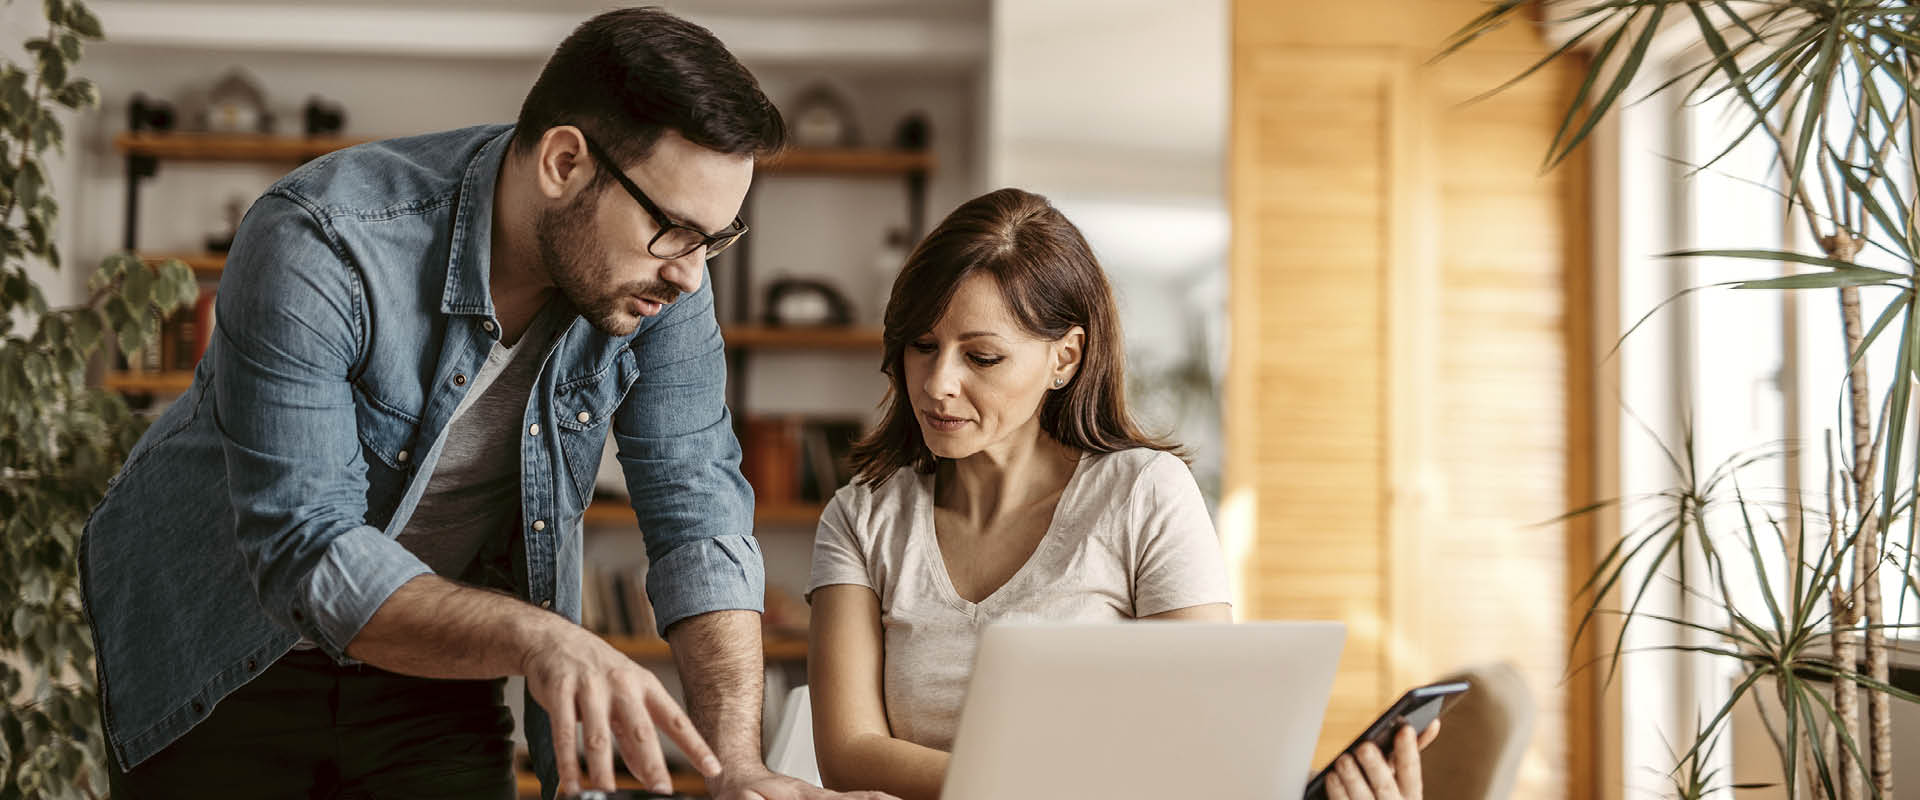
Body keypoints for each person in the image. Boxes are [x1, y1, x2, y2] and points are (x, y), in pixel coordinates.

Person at [82, 9, 889, 800]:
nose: (688, 273)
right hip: (224, 646)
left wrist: (738, 766)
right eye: (675, 228)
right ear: (564, 163)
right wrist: (543, 637)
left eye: (715, 239)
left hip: (434, 657)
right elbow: (306, 548)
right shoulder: (322, 240)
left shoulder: (670, 283)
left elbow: (699, 511)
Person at [804, 188, 1438, 800]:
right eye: (923, 346)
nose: (938, 382)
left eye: (983, 357)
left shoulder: (1143, 495)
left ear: (1066, 357)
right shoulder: (862, 518)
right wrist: (1060, 786)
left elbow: (1205, 738)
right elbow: (849, 752)